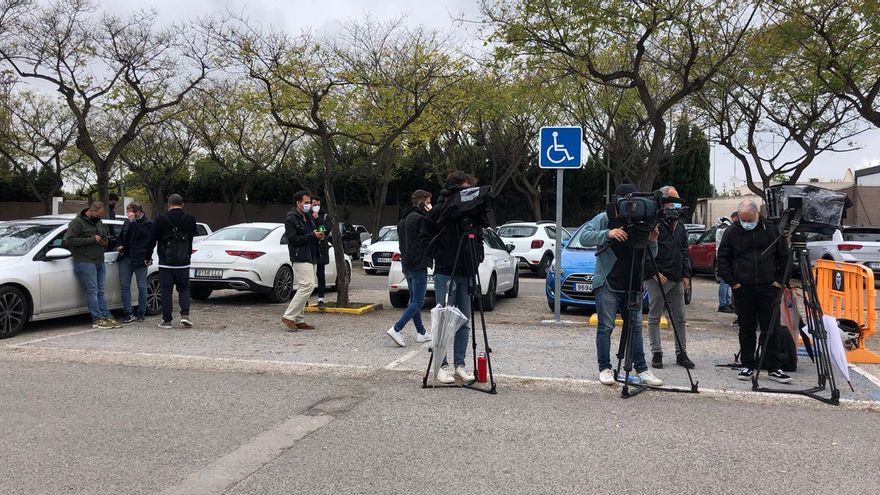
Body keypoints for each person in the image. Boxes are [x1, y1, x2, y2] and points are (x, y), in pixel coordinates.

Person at [578, 183, 664, 387]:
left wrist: (653, 240)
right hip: (608, 283)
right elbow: (583, 237)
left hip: (633, 282)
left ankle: (642, 369)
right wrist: (608, 233)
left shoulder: (643, 220)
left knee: (634, 328)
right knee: (605, 327)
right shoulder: (604, 219)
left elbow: (653, 255)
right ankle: (605, 368)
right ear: (618, 202)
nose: (631, 207)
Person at [717, 200, 792, 383]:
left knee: (771, 328)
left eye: (749, 219)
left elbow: (785, 257)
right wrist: (733, 283)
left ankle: (773, 367)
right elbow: (723, 259)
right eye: (743, 220)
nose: (746, 223)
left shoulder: (772, 231)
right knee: (746, 328)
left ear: (758, 215)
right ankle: (747, 365)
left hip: (769, 287)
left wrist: (779, 282)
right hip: (743, 288)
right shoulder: (732, 231)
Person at [419, 172, 482, 384]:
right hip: (446, 272)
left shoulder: (471, 212)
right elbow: (425, 238)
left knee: (464, 321)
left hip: (467, 270)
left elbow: (479, 236)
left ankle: (460, 364)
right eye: (463, 189)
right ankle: (441, 365)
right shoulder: (439, 211)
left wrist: (478, 256)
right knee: (444, 320)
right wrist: (440, 253)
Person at [644, 186, 694, 370]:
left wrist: (686, 274)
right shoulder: (653, 221)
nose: (676, 204)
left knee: (679, 318)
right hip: (657, 277)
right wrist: (654, 273)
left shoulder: (679, 224)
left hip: (676, 278)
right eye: (673, 199)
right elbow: (646, 249)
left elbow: (684, 250)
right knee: (654, 316)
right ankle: (657, 353)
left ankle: (682, 353)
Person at [386, 190, 433, 347]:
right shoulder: (420, 219)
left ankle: (421, 332)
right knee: (418, 301)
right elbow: (427, 239)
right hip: (419, 263)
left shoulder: (404, 220)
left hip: (407, 264)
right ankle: (397, 328)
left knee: (414, 301)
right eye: (427, 202)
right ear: (421, 203)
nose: (429, 205)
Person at [63, 202, 121, 329]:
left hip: (99, 260)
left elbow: (103, 237)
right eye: (98, 215)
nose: (99, 218)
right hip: (85, 260)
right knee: (92, 290)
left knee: (100, 291)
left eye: (101, 216)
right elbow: (69, 240)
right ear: (91, 211)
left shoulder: (99, 222)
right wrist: (92, 240)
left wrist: (104, 241)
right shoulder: (77, 222)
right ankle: (97, 318)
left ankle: (106, 315)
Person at [146, 194, 197, 329]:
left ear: (168, 204)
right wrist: (188, 255)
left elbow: (151, 239)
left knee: (166, 290)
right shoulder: (190, 219)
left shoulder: (161, 219)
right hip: (184, 261)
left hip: (165, 262)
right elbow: (191, 238)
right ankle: (185, 315)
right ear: (182, 204)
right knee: (184, 288)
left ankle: (167, 320)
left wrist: (147, 256)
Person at [282, 190, 324, 331]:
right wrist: (313, 236)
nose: (308, 205)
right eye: (306, 203)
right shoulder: (291, 219)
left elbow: (315, 229)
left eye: (309, 203)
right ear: (298, 203)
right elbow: (293, 240)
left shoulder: (307, 216)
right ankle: (289, 316)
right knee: (308, 285)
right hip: (300, 256)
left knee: (304, 286)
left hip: (311, 255)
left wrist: (318, 234)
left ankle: (299, 319)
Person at [117, 202, 153, 323]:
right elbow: (122, 236)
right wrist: (120, 245)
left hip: (140, 258)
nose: (128, 215)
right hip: (126, 257)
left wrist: (133, 222)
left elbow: (142, 236)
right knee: (124, 285)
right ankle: (128, 312)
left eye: (130, 212)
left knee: (142, 286)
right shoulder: (127, 222)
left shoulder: (147, 223)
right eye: (127, 212)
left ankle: (141, 312)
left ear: (138, 212)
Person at [310, 196, 331, 310]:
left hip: (321, 249)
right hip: (309, 248)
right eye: (314, 204)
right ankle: (305, 299)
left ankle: (321, 299)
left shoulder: (325, 216)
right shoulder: (306, 215)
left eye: (318, 204)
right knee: (309, 275)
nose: (316, 206)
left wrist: (318, 219)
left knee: (321, 275)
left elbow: (325, 231)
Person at [716, 211, 738, 313]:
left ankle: (727, 302)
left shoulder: (723, 225)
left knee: (726, 282)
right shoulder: (726, 227)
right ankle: (723, 303)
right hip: (725, 257)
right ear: (734, 218)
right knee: (724, 281)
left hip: (723, 256)